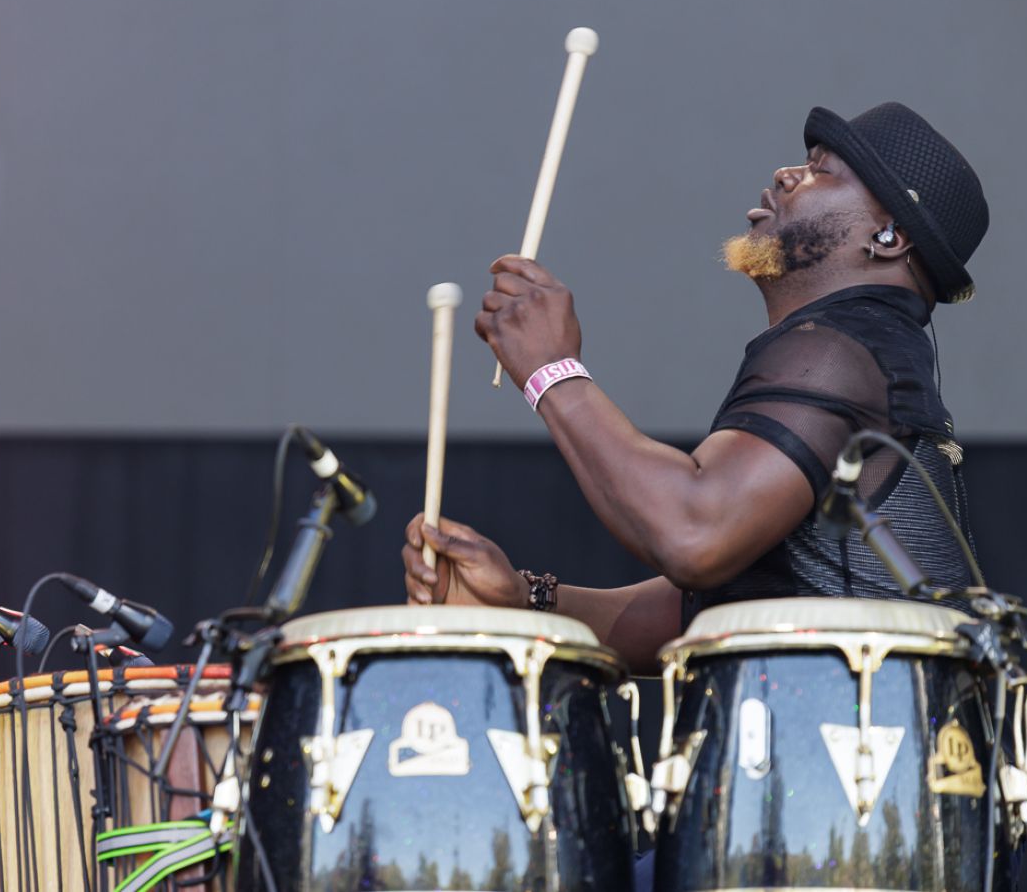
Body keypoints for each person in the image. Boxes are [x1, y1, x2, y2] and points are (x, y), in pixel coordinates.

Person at [401, 102, 990, 674]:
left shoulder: (838, 349)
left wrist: (552, 372)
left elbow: (694, 533)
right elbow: (708, 614)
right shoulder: (862, 351)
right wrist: (524, 603)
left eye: (822, 170)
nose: (786, 174)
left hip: (856, 761)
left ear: (888, 238)